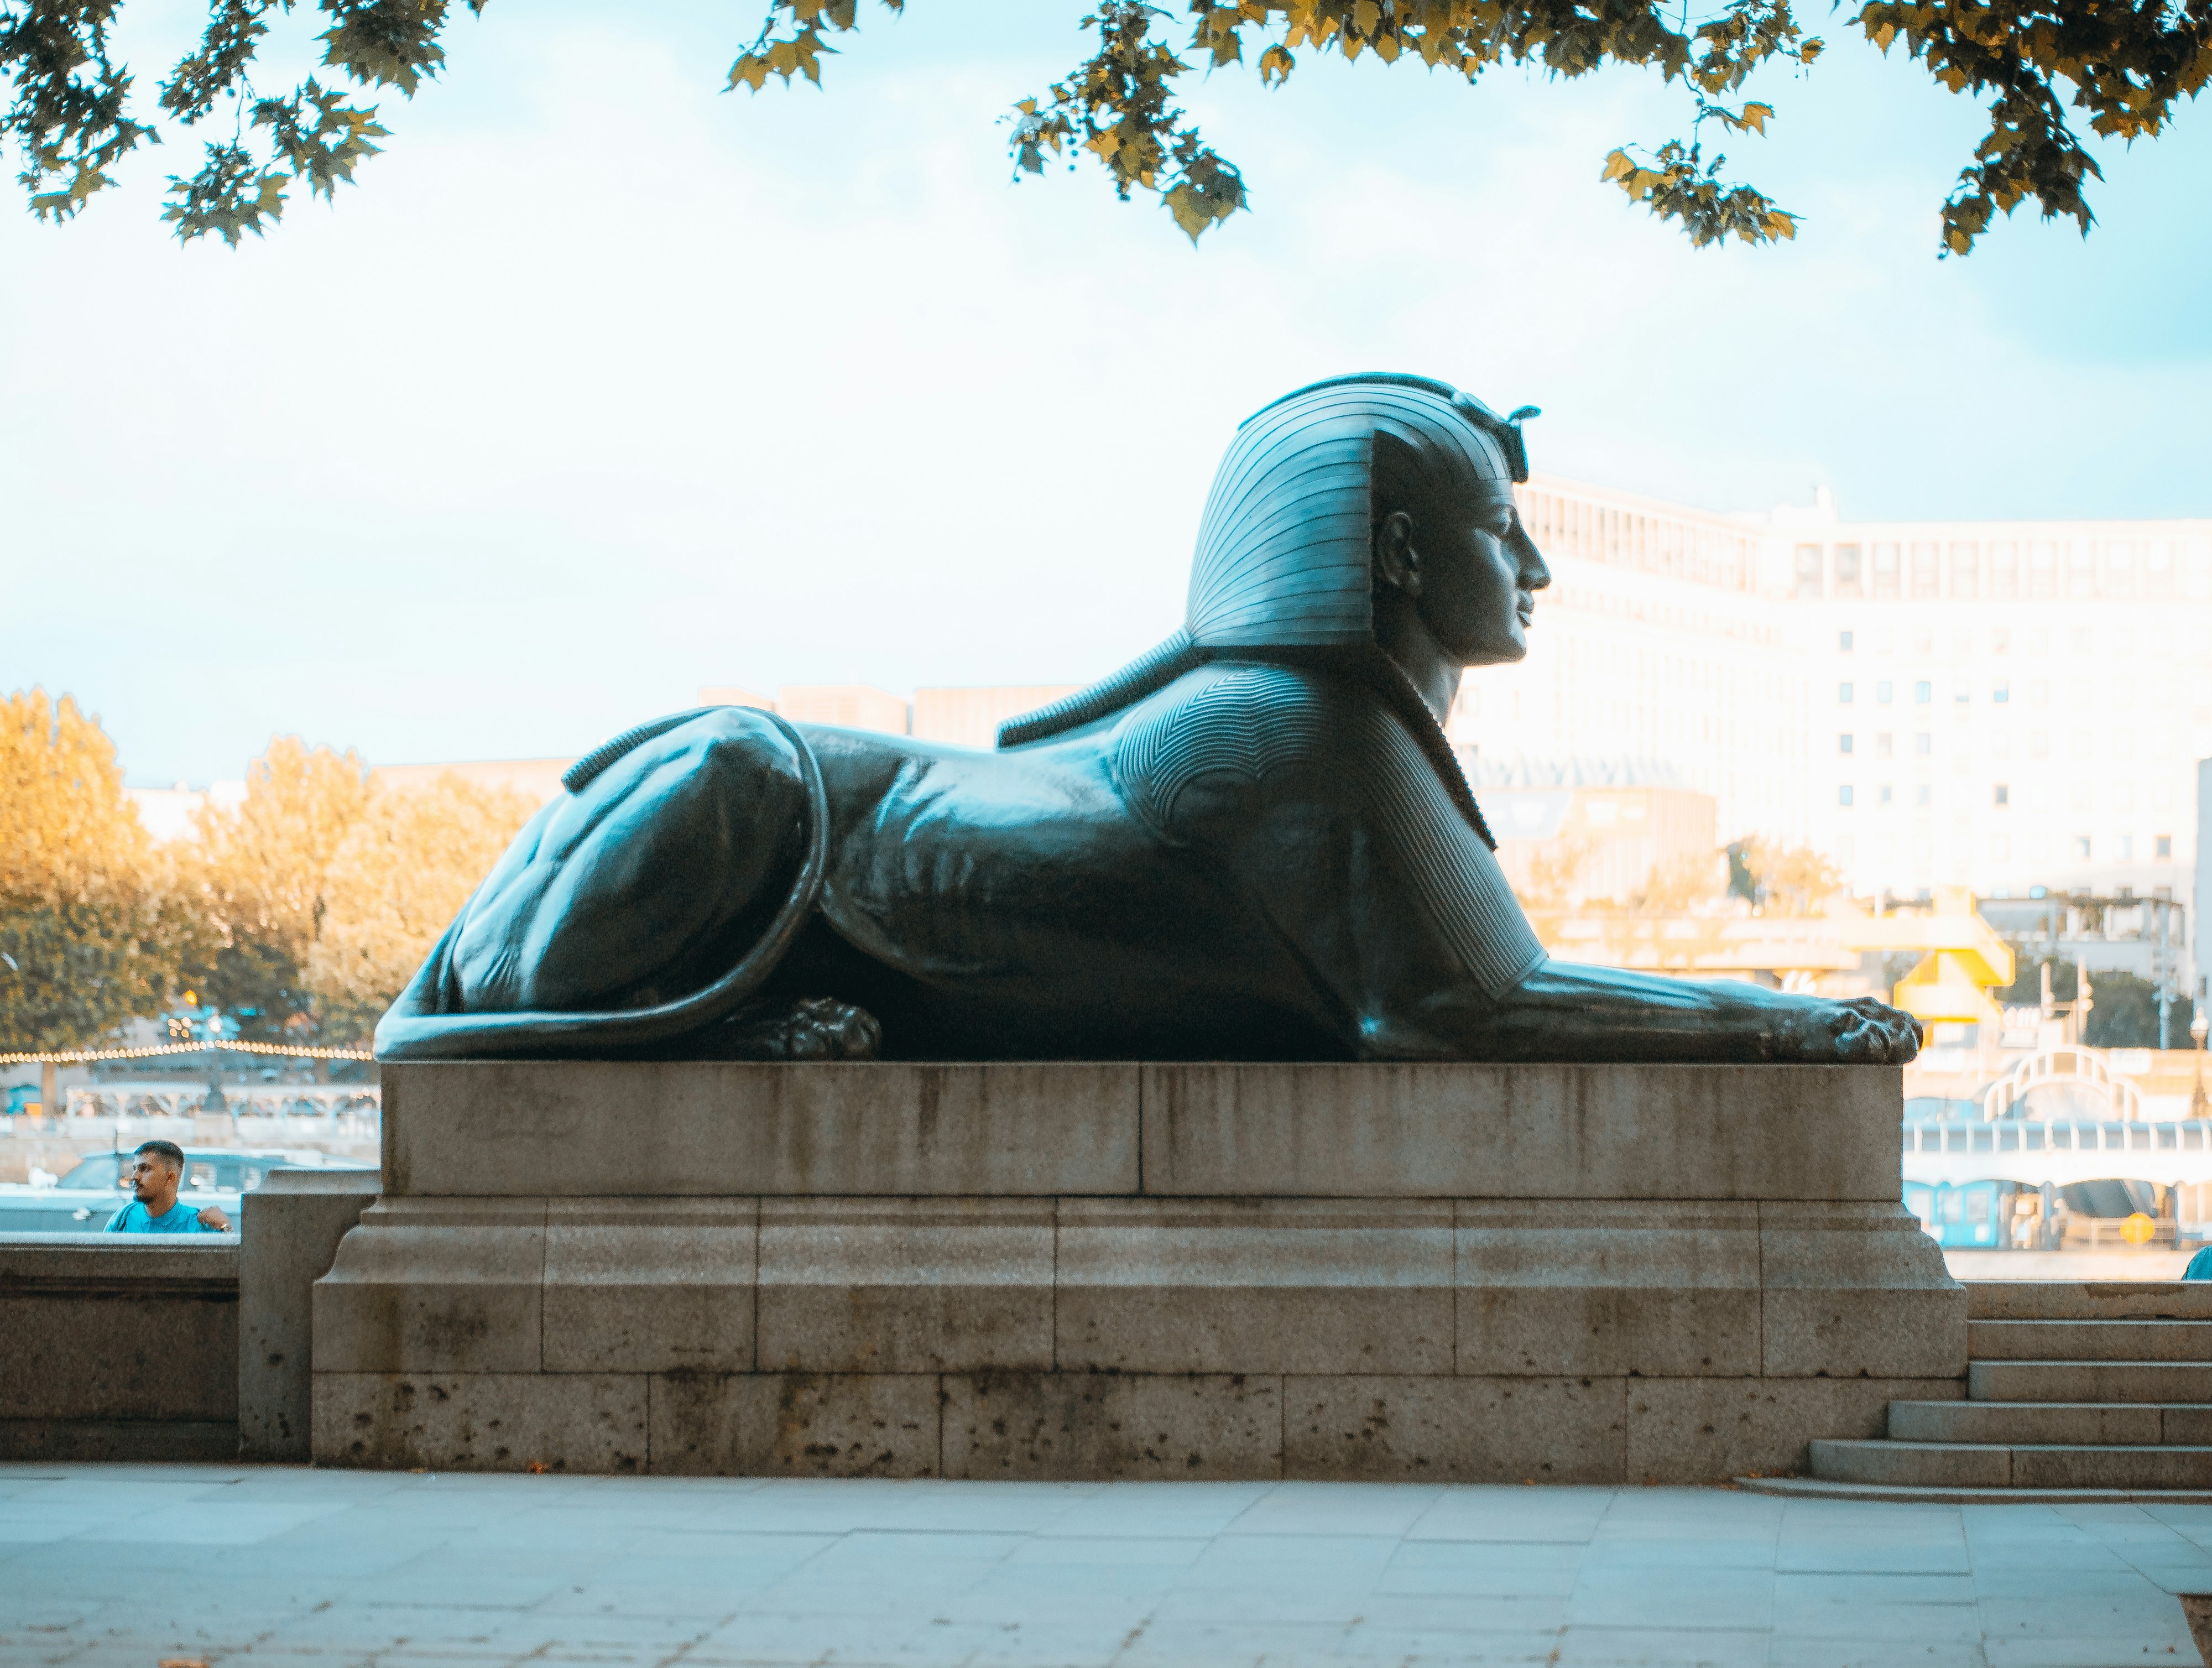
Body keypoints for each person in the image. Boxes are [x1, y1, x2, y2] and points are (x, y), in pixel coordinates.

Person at [377, 372, 1921, 1068]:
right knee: (732, 761)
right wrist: (1789, 1024)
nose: (1534, 567)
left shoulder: (1306, 734)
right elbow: (1460, 1016)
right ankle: (679, 1037)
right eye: (1498, 531)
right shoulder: (1296, 742)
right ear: (1391, 554)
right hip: (751, 835)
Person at [106, 1139, 231, 1235]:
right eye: (135, 1169)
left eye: (145, 1169)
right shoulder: (123, 1218)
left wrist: (225, 1227)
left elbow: (230, 1263)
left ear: (170, 1177)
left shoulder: (197, 1225)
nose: (134, 1177)